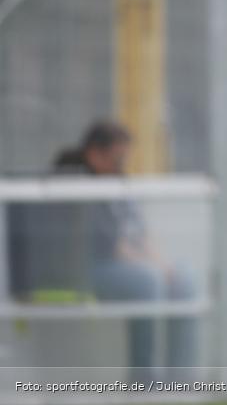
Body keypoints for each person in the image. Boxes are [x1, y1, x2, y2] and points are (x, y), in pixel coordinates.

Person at [55, 121, 198, 381]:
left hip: (127, 264)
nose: (122, 163)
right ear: (95, 154)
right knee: (147, 280)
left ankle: (180, 378)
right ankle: (145, 379)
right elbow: (113, 247)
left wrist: (164, 265)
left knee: (184, 277)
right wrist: (155, 268)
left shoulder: (120, 183)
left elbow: (140, 233)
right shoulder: (78, 185)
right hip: (88, 270)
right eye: (117, 157)